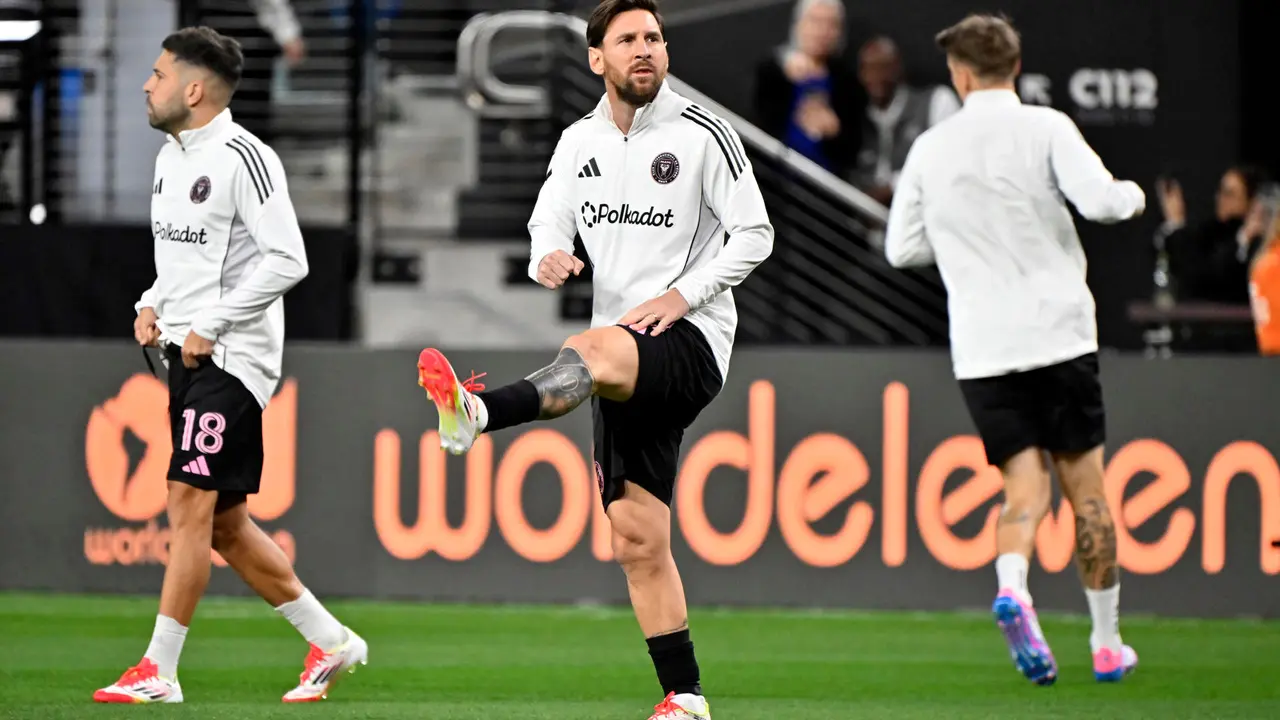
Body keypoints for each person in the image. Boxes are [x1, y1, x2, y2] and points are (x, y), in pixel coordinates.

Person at [417, 1, 772, 717]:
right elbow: (549, 211)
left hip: (691, 341)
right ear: (596, 59)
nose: (645, 49)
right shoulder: (579, 140)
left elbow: (754, 234)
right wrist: (547, 250)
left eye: (654, 38)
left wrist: (682, 295)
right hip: (620, 359)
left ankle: (478, 413)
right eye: (628, 40)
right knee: (637, 538)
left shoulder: (705, 133)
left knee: (591, 346)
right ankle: (686, 697)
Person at [93, 27, 366, 704]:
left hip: (233, 358)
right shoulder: (169, 157)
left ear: (194, 89)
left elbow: (288, 259)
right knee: (223, 524)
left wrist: (212, 324)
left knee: (186, 500)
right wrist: (151, 301)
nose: (146, 85)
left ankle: (159, 670)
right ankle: (333, 642)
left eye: (157, 75)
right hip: (184, 352)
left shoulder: (246, 157)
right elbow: (182, 257)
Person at [883, 14, 1145, 686]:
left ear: (961, 74)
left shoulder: (931, 148)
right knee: (1087, 491)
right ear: (1015, 67)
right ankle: (1107, 643)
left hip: (984, 346)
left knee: (1022, 489)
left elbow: (901, 249)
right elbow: (1104, 205)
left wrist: (965, 239)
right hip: (1059, 333)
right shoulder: (1046, 127)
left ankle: (1012, 586)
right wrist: (1137, 195)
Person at [753, 0, 864, 178]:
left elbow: (854, 148)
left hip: (828, 187)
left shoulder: (848, 82)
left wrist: (835, 131)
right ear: (799, 25)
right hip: (775, 182)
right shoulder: (772, 71)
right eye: (815, 21)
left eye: (831, 24)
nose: (822, 31)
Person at [852, 35, 960, 205]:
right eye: (869, 68)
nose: (876, 76)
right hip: (867, 226)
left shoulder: (935, 102)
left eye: (884, 67)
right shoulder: (856, 121)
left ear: (898, 68)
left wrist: (892, 187)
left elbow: (950, 161)